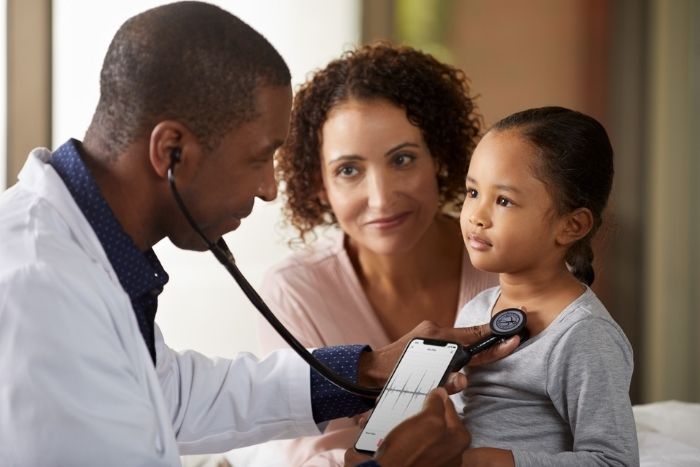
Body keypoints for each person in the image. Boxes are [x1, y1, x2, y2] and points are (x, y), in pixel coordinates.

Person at [0, 2, 520, 466]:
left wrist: (366, 370)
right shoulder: (38, 290)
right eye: (257, 158)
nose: (270, 188)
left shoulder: (87, 252)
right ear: (170, 152)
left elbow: (169, 396)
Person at [228, 43, 498, 466]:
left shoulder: (506, 263)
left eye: (403, 159)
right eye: (349, 170)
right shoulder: (297, 291)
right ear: (319, 184)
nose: (381, 198)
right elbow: (310, 459)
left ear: (439, 160)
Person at [455, 106, 639, 465]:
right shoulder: (477, 308)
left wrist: (502, 462)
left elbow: (614, 460)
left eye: (503, 200)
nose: (476, 216)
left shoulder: (584, 335)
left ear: (571, 226)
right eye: (473, 192)